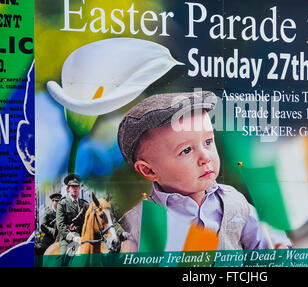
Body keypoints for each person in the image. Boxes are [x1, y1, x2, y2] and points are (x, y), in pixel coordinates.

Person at [117, 91, 291, 252]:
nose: (205, 157)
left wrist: (279, 251)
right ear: (148, 170)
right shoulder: (137, 222)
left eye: (208, 141)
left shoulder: (234, 202)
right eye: (186, 150)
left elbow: (270, 247)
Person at [55, 174, 90, 255]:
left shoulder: (85, 204)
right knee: (63, 257)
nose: (75, 189)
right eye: (72, 186)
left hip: (83, 236)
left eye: (77, 186)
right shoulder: (62, 204)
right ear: (68, 188)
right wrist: (73, 237)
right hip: (68, 238)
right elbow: (60, 224)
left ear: (79, 188)